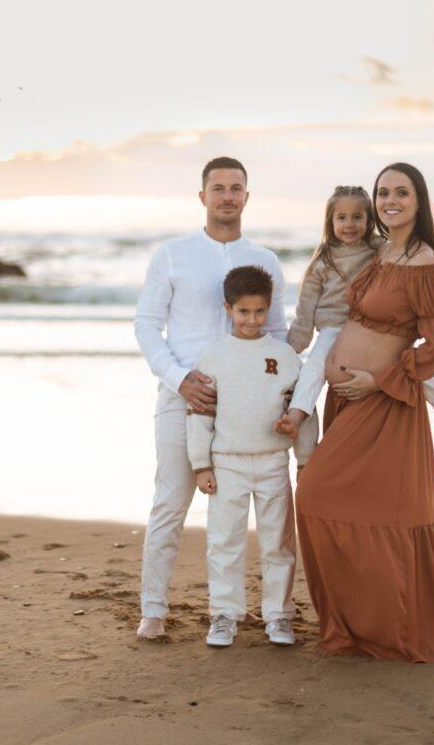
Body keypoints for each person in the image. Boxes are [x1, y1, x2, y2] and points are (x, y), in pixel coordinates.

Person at [295, 163, 434, 661]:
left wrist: (381, 380)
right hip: (347, 402)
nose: (390, 199)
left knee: (329, 496)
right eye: (383, 192)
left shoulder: (425, 262)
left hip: (386, 403)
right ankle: (356, 625)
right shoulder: (383, 253)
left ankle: (392, 627)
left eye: (401, 192)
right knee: (327, 500)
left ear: (419, 201)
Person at [133, 156, 287, 640]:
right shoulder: (173, 254)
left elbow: (277, 334)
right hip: (184, 398)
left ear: (247, 195)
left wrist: (281, 397)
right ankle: (153, 610)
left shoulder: (266, 260)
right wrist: (180, 379)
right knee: (171, 501)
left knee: (256, 516)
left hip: (249, 411)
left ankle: (250, 612)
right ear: (202, 196)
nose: (226, 195)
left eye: (235, 188)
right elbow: (145, 325)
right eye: (217, 187)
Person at [276, 185, 434, 439]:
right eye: (341, 218)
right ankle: (295, 417)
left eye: (358, 217)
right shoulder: (323, 260)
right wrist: (294, 345)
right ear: (330, 221)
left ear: (369, 220)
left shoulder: (379, 249)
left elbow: (403, 265)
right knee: (313, 370)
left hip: (374, 334)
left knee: (419, 373)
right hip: (332, 330)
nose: (350, 224)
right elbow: (306, 307)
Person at [186, 266, 318, 648]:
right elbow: (200, 413)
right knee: (225, 541)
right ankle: (224, 614)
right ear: (228, 308)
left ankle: (278, 615)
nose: (252, 320)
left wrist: (305, 458)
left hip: (273, 462)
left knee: (278, 542)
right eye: (244, 312)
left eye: (260, 312)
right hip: (227, 462)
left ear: (269, 309)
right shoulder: (213, 356)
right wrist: (200, 465)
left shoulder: (284, 356)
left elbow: (303, 408)